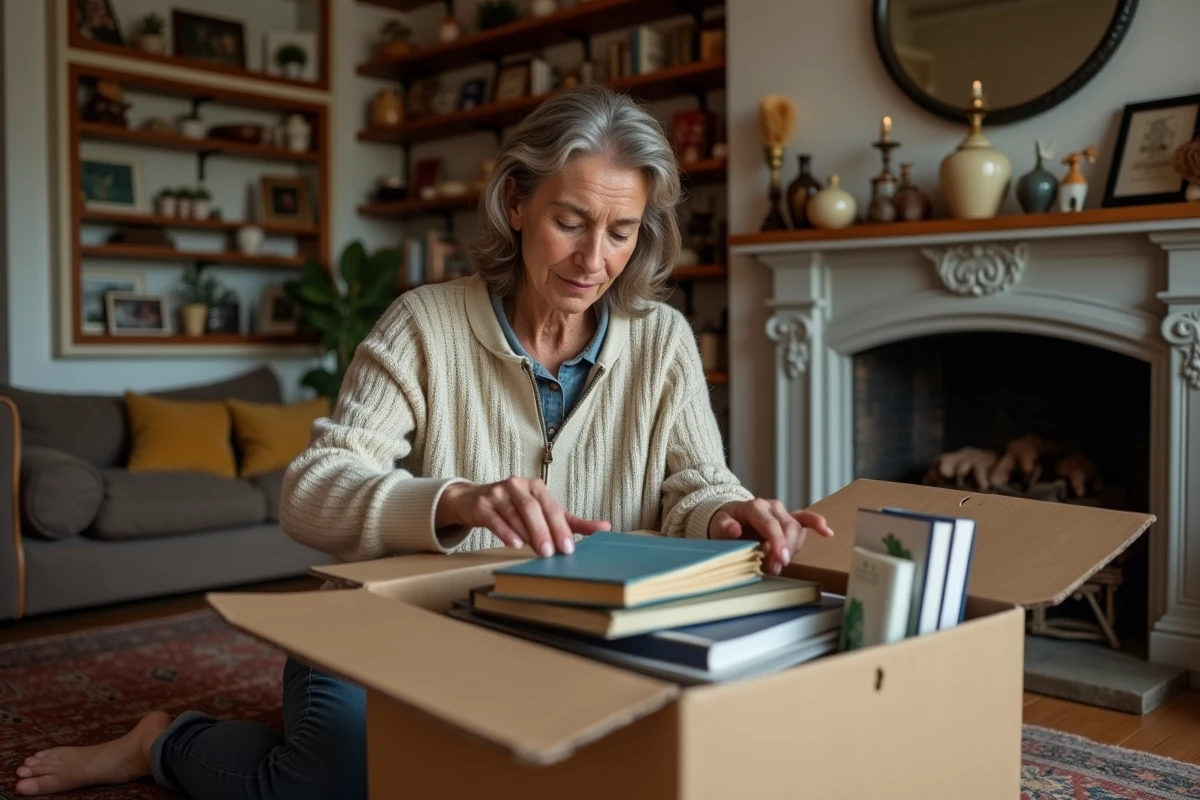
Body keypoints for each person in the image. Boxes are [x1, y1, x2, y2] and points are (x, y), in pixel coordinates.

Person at [12, 83, 834, 799]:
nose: (595, 259)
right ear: (516, 203)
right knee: (331, 780)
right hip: (397, 630)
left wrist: (728, 514)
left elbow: (696, 485)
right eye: (571, 221)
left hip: (567, 638)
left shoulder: (663, 340)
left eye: (621, 232)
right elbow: (312, 487)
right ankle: (162, 741)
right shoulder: (424, 324)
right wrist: (454, 501)